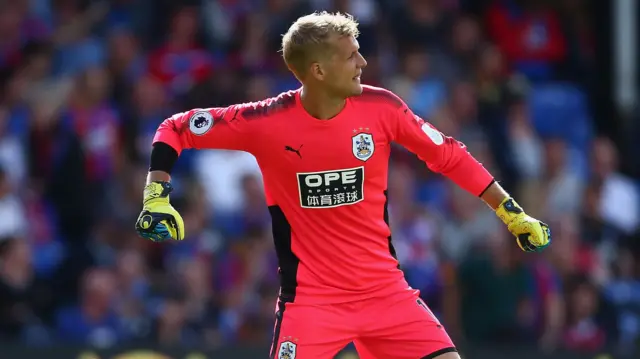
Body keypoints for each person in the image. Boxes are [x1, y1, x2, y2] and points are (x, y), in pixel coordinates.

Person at [135, 11, 551, 359]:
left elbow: (451, 155)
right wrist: (157, 195)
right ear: (318, 70)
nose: (363, 63)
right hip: (312, 305)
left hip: (387, 295)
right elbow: (176, 127)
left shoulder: (382, 107)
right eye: (352, 56)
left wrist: (511, 213)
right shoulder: (265, 121)